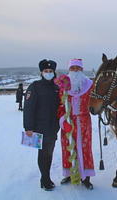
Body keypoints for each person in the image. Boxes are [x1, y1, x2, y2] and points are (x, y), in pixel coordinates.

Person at [58, 58, 95, 189]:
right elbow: (59, 105)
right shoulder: (62, 85)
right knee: (68, 147)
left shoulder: (89, 85)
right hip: (68, 122)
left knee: (84, 148)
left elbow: (96, 101)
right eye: (72, 68)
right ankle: (69, 174)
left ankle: (86, 177)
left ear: (82, 70)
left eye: (77, 68)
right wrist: (62, 119)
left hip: (84, 122)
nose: (75, 71)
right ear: (69, 70)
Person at [23, 59, 60, 191]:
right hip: (39, 127)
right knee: (43, 154)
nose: (48, 73)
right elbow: (28, 108)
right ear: (41, 72)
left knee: (49, 154)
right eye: (46, 71)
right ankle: (45, 179)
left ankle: (45, 178)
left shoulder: (57, 88)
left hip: (53, 128)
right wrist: (28, 127)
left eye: (51, 71)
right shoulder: (35, 86)